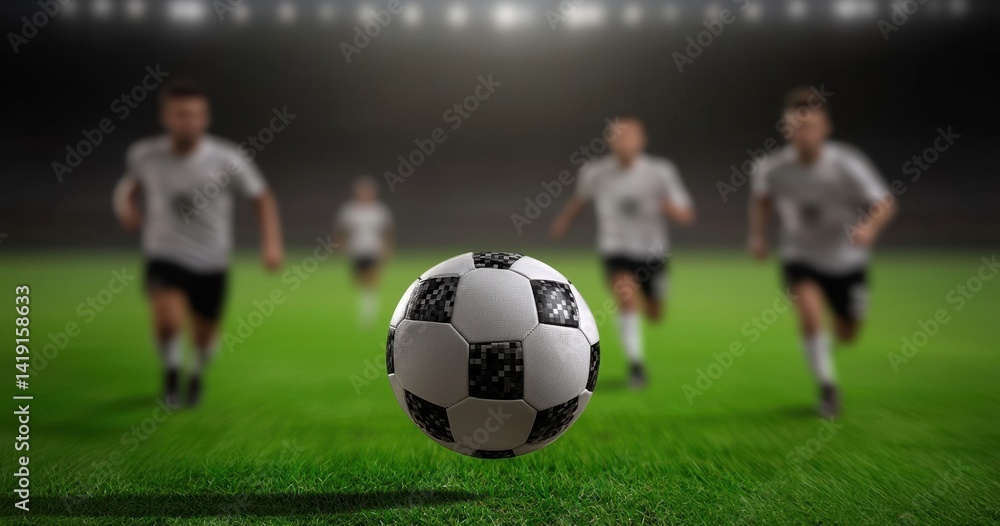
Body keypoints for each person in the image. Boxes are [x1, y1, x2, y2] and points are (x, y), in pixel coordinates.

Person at [113, 81, 284, 408]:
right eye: (181, 114)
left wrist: (272, 243)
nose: (189, 121)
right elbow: (129, 185)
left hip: (211, 259)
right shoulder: (144, 154)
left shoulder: (228, 157)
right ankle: (171, 372)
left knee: (205, 336)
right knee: (168, 322)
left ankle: (196, 372)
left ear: (205, 118)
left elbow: (261, 197)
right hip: (164, 253)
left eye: (196, 114)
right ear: (166, 117)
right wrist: (126, 208)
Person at [747, 87, 896, 418]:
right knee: (810, 314)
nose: (803, 133)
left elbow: (885, 203)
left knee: (848, 332)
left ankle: (828, 342)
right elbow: (761, 199)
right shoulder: (771, 168)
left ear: (825, 127)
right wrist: (758, 235)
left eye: (810, 126)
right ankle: (828, 388)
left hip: (848, 259)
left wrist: (869, 227)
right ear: (786, 129)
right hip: (800, 256)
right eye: (796, 126)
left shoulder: (847, 162)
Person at [550, 116, 695, 389]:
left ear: (641, 140)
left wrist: (671, 209)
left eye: (628, 136)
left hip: (653, 252)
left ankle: (651, 308)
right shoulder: (595, 172)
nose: (622, 142)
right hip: (616, 249)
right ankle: (636, 365)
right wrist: (563, 222)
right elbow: (579, 200)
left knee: (655, 313)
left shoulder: (660, 172)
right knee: (626, 298)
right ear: (609, 141)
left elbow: (686, 213)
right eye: (617, 136)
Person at [333, 176, 394, 327]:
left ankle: (368, 315)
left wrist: (387, 247)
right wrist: (341, 245)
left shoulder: (379, 210)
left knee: (371, 283)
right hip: (356, 250)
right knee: (359, 283)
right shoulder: (350, 210)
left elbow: (387, 230)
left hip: (373, 250)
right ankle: (364, 309)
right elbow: (341, 229)